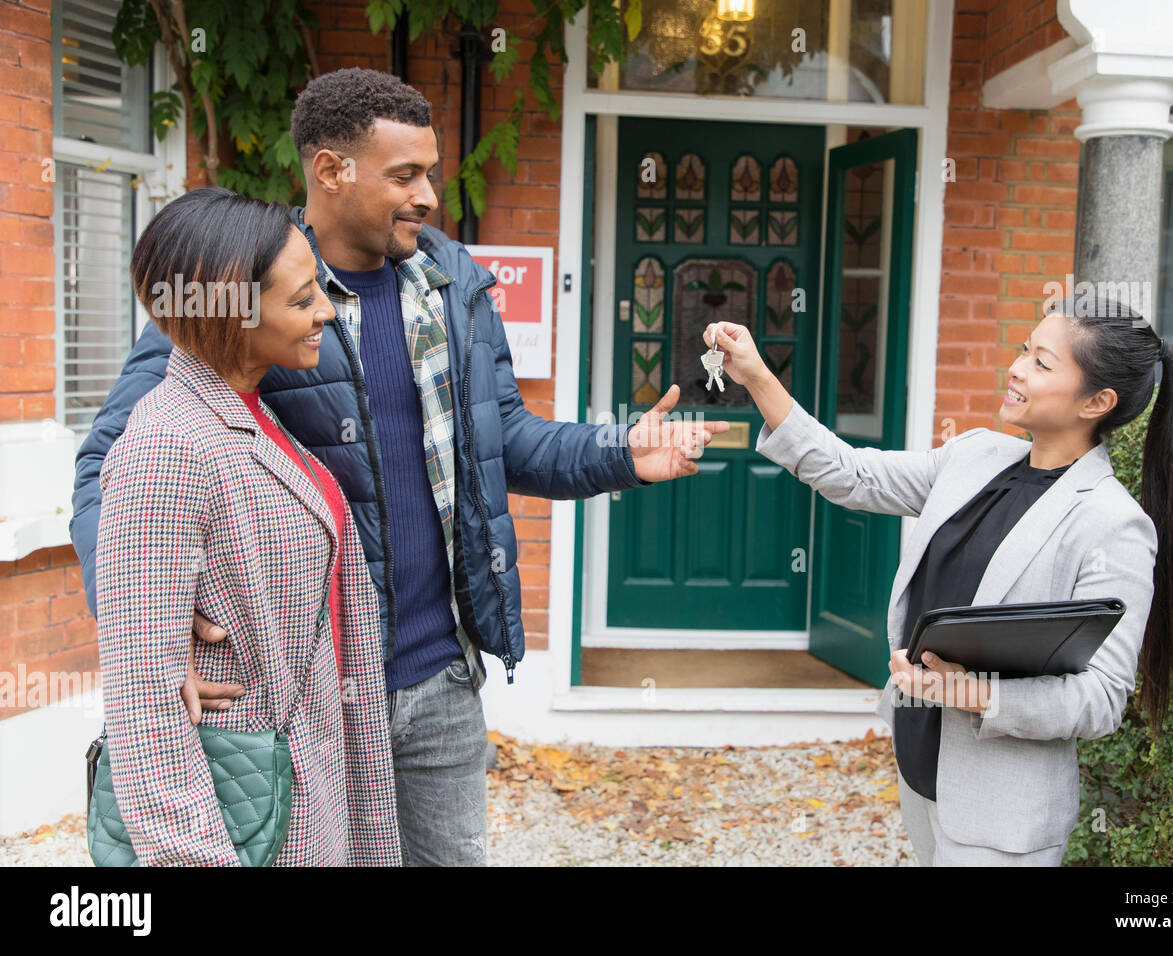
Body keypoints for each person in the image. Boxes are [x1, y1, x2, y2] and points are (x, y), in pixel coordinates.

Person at [71, 68, 724, 867]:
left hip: (440, 671)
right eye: (404, 176)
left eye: (432, 174)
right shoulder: (251, 286)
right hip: (314, 688)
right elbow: (115, 461)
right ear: (330, 171)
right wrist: (153, 635)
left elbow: (502, 438)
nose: (429, 197)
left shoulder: (452, 285)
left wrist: (617, 454)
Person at [705, 293, 1173, 866]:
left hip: (1002, 813)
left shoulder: (1110, 524)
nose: (1015, 368)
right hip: (922, 770)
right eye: (1023, 350)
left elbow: (1101, 699)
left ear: (1098, 401)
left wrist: (970, 692)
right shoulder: (975, 456)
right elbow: (852, 474)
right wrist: (758, 376)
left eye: (1042, 362)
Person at [96, 188, 401, 865]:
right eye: (300, 300)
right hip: (247, 813)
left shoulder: (253, 411)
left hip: (309, 782)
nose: (326, 310)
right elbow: (144, 709)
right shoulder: (169, 446)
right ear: (229, 312)